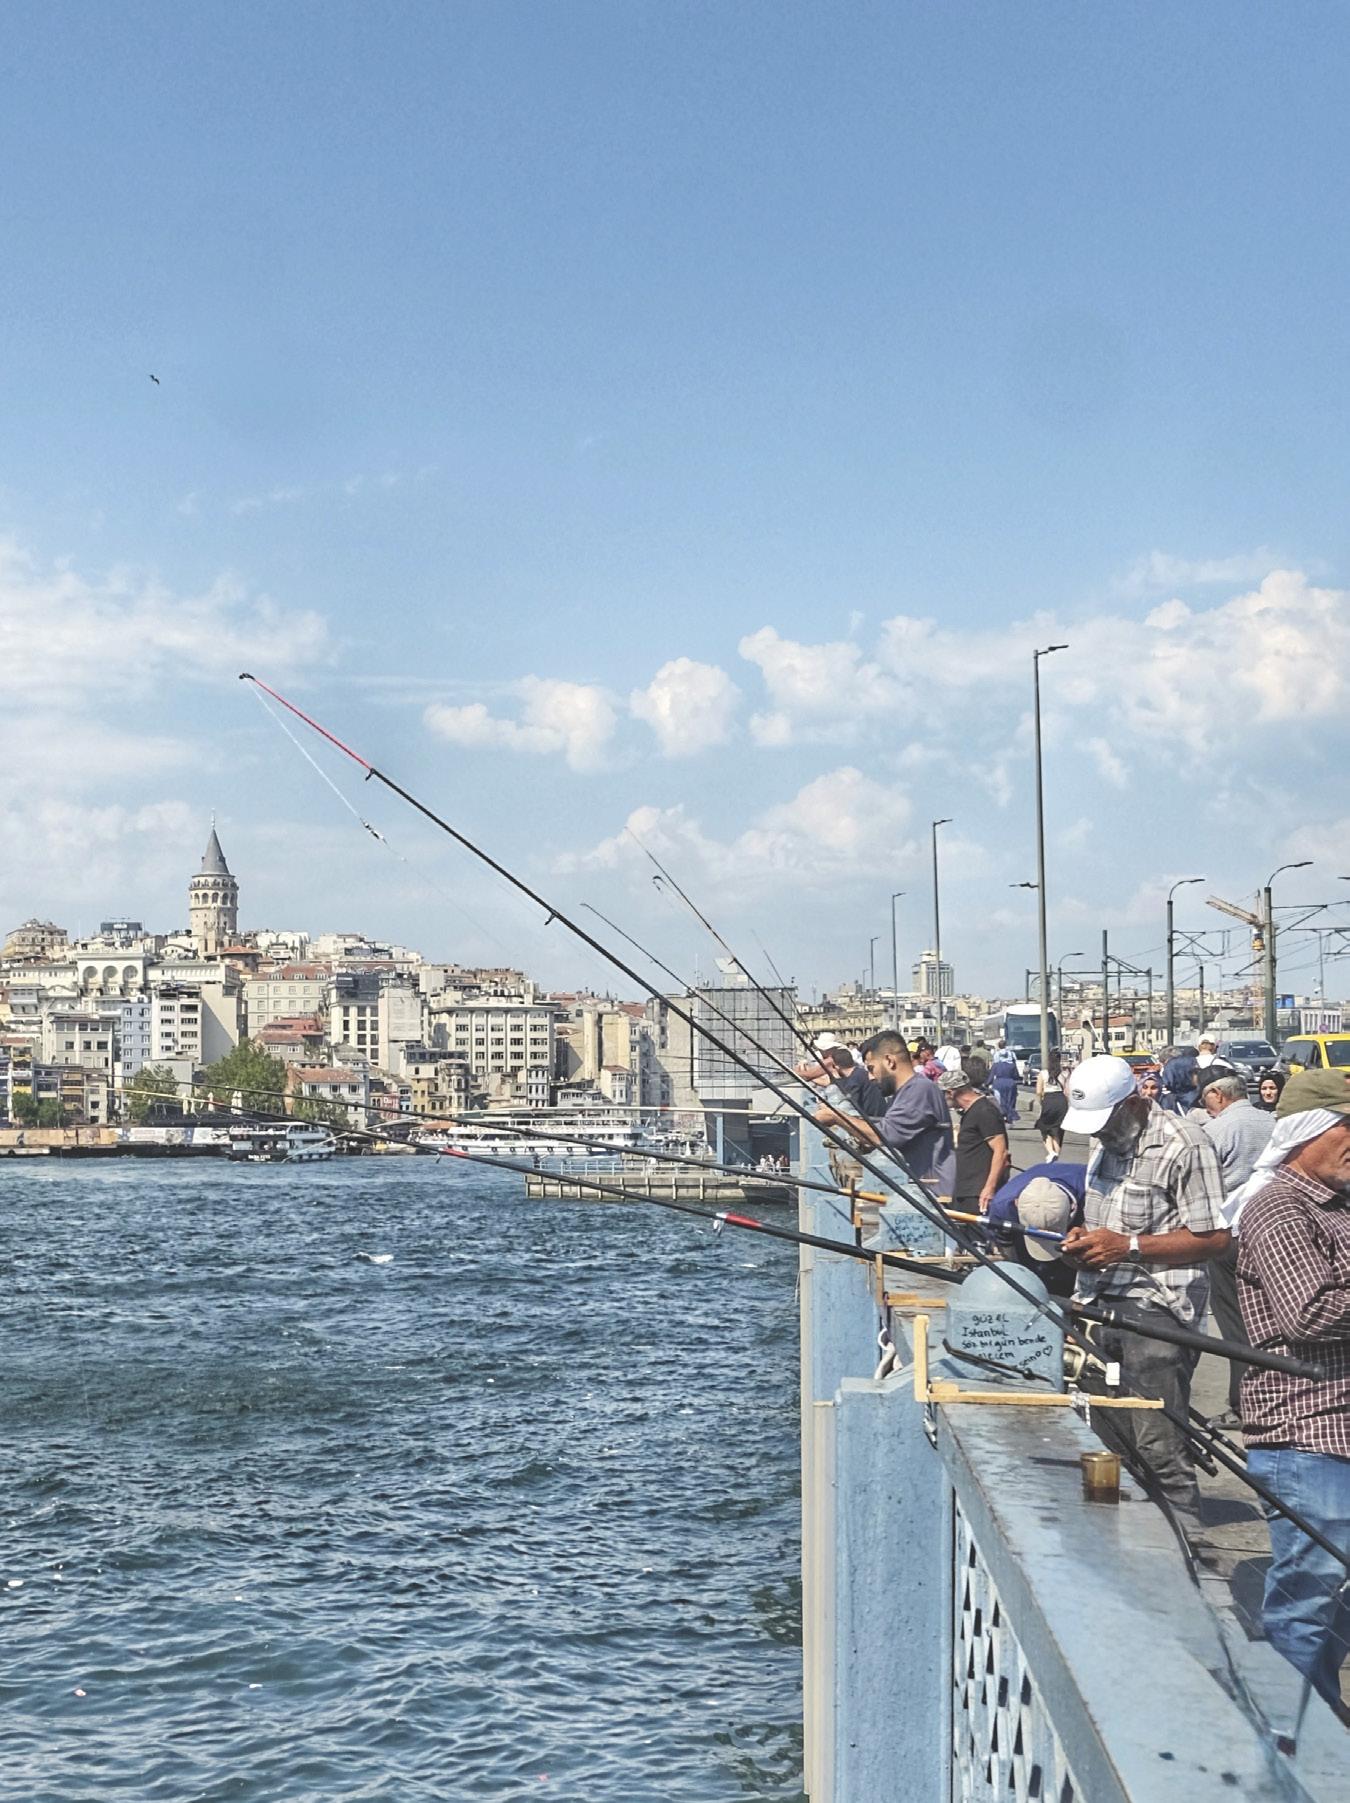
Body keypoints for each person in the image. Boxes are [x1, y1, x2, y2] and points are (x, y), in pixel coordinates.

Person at [1060, 1054, 1230, 1538]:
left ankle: (1186, 1549)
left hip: (1156, 1313)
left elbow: (1216, 1238)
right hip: (1096, 1306)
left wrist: (1127, 1246)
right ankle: (1115, 1548)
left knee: (1159, 1448)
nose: (1097, 1135)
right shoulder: (1105, 1145)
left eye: (1105, 1122)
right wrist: (1084, 1243)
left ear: (1134, 1104)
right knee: (1103, 1444)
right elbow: (1104, 1225)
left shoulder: (1185, 1145)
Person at [1232, 1071, 1350, 1707]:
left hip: (1339, 1433)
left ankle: (1320, 1714)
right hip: (1308, 1436)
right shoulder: (1279, 1207)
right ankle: (1292, 1739)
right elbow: (1308, 1312)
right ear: (1309, 1133)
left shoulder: (1338, 1205)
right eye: (1346, 1127)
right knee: (1306, 1599)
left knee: (1332, 1596)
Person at [1199, 1073, 1276, 1426]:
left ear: (1218, 1095)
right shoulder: (1272, 1120)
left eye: (1206, 1099)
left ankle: (1243, 1404)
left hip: (1230, 1233)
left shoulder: (1217, 1130)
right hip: (1273, 1227)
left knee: (1234, 1323)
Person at [819, 1031, 955, 1196]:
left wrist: (836, 1117)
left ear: (890, 1061)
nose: (869, 1077)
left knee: (868, 1215)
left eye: (871, 1068)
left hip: (934, 1195)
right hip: (918, 1190)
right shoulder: (904, 1093)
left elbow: (883, 1136)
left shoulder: (919, 1090)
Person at [987, 1162, 1088, 1299]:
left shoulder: (1090, 1189)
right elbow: (1005, 1244)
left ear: (1071, 1207)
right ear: (1016, 1203)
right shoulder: (1002, 1208)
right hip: (1019, 1236)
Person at [939, 1070, 1009, 1214]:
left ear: (951, 1092)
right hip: (965, 1190)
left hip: (978, 1193)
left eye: (943, 1094)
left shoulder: (984, 1111)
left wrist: (989, 1188)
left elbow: (1001, 1152)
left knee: (977, 1235)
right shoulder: (970, 1112)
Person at [1035, 1053, 1069, 1158]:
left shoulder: (1043, 1074)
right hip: (1061, 1101)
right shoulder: (1063, 1074)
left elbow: (1038, 1092)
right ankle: (1056, 1154)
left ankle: (1051, 1152)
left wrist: (1041, 1103)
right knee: (1057, 1130)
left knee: (1044, 1127)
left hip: (1049, 1100)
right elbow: (1066, 1092)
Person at [1161, 1043, 1200, 1115]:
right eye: (1195, 1072)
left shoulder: (1201, 1097)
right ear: (1181, 1074)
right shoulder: (1168, 1102)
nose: (1199, 1075)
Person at [990, 1042, 1020, 1125]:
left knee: (1001, 1101)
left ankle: (1003, 1115)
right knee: (1010, 1100)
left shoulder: (996, 1064)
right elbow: (1016, 1075)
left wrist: (986, 1083)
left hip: (998, 1083)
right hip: (1010, 1083)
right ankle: (1010, 1116)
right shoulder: (1012, 1064)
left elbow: (991, 1076)